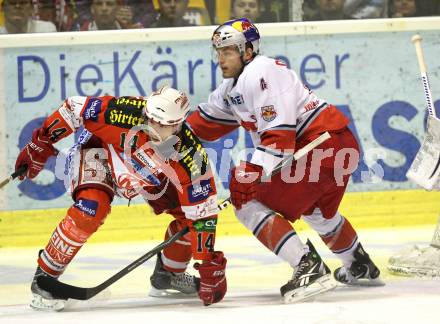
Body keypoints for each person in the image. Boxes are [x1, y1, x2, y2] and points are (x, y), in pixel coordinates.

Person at [186, 18, 383, 302]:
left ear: (248, 51)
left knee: (245, 201)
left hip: (320, 146)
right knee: (317, 211)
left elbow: (279, 140)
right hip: (336, 145)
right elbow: (203, 121)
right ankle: (359, 264)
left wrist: (250, 173)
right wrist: (165, 133)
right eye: (218, 52)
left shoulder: (261, 72)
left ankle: (307, 266)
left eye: (228, 51)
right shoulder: (233, 87)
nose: (221, 59)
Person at [15, 86, 227, 310]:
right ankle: (44, 277)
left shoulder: (191, 156)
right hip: (100, 153)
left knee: (190, 220)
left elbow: (203, 213)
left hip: (145, 171)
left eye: (161, 125)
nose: (151, 126)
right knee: (90, 209)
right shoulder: (124, 112)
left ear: (177, 125)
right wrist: (41, 143)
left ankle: (169, 274)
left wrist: (208, 262)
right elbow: (73, 108)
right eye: (150, 119)